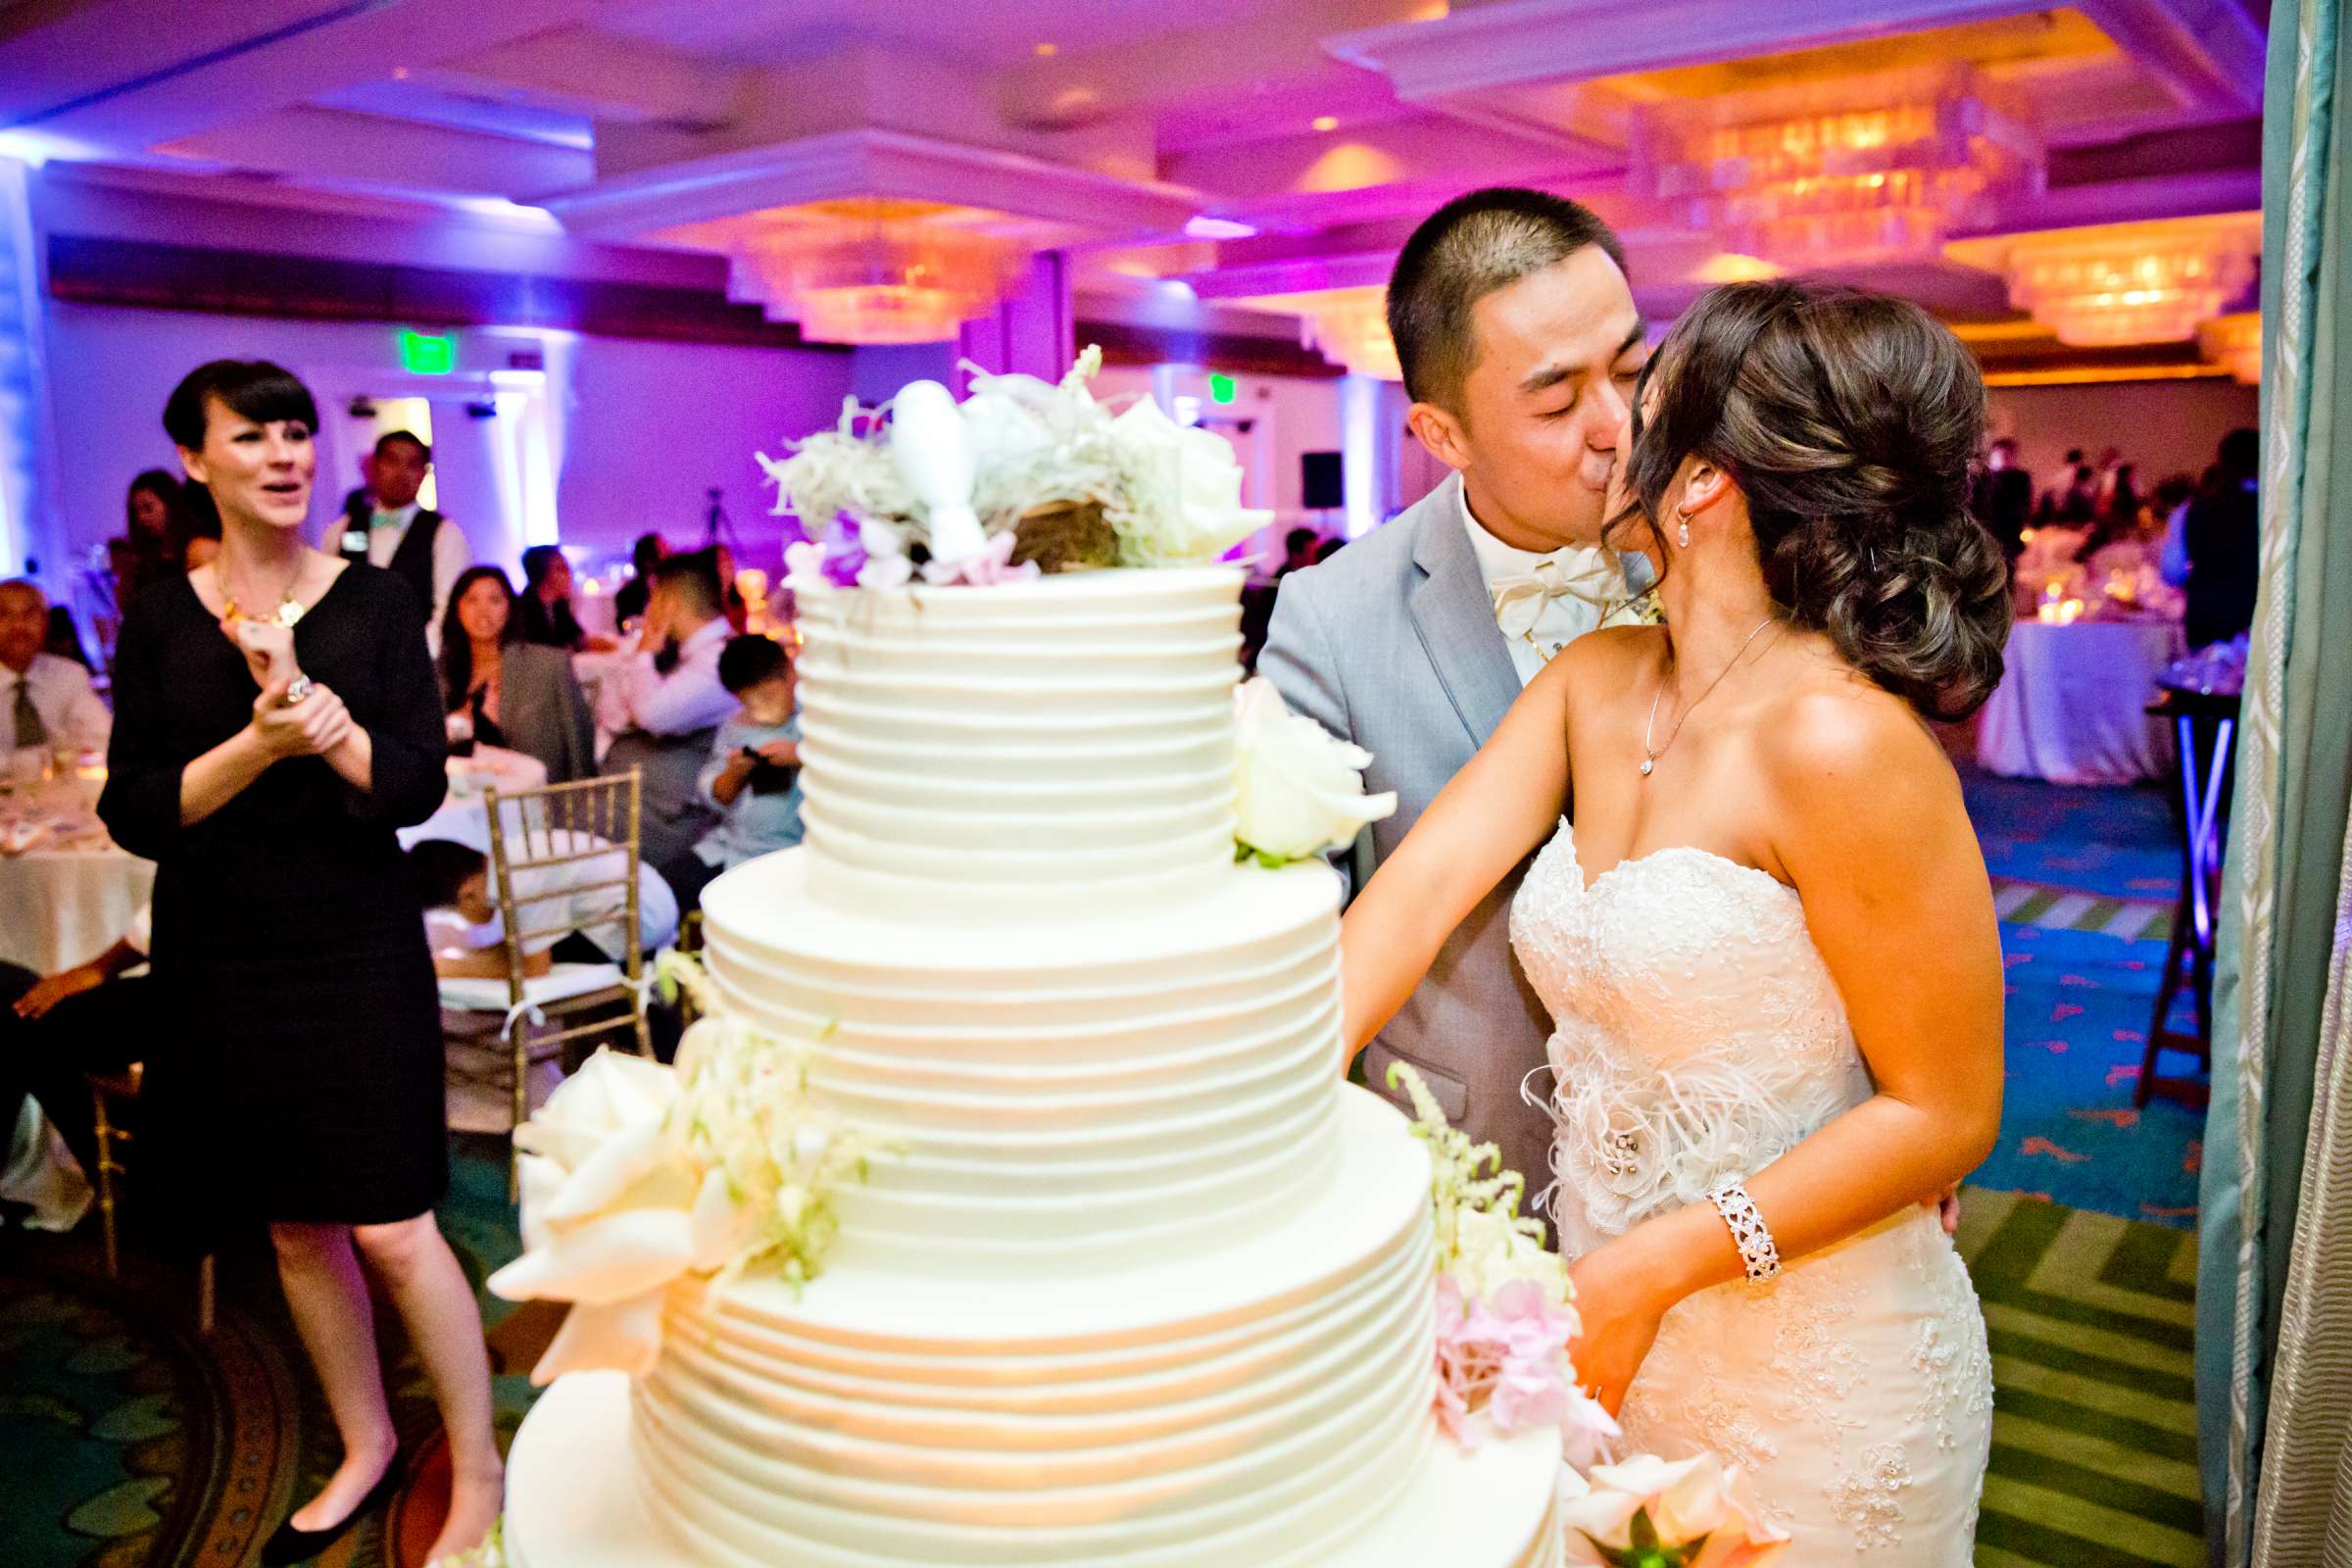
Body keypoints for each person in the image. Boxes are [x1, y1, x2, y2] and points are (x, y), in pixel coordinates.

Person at [1342, 280, 2006, 1557]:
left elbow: (1947, 1111)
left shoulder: (1844, 742)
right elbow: (1411, 901)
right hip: (1606, 1326)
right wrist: (1232, 1107)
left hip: (1821, 1362)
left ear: (1701, 483)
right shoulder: (1594, 685)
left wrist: (1649, 1271)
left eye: (1639, 395)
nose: (1607, 433)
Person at [102, 360, 500, 1566]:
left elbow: (419, 786)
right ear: (194, 461)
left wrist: (330, 735)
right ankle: (366, 1439)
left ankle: (474, 1459)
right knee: (292, 1227)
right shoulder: (166, 613)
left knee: (389, 1221)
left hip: (353, 941)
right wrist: (256, 744)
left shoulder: (376, 604)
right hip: (224, 947)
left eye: (296, 434)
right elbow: (135, 808)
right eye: (253, 437)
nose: (285, 456)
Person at [1259, 187, 1654, 1210]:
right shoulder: (1333, 617)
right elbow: (1300, 923)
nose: (1620, 428)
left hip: (1721, 1152)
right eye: (1560, 401)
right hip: (1474, 1162)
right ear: (1444, 432)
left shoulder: (1733, 546)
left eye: (1633, 369)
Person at [600, 549, 737, 898]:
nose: (649, 610)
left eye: (653, 598)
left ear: (670, 600)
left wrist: (644, 650)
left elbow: (650, 714)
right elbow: (614, 713)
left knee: (568, 830)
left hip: (677, 812)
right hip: (654, 797)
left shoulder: (719, 662)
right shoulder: (692, 655)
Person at [0, 907, 157, 1193]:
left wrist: (98, 968)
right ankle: (124, 1176)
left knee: (23, 1014)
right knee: (22, 1006)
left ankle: (128, 1179)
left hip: (207, 995)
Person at [402, 831, 679, 978]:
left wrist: (447, 970)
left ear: (468, 894)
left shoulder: (516, 881)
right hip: (645, 894)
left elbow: (535, 968)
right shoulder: (506, 855)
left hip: (638, 921)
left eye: (455, 914)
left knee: (527, 957)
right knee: (519, 946)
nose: (464, 921)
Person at [437, 565, 597, 783]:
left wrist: (581, 801)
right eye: (472, 600)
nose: (483, 611)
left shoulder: (547, 665)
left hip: (535, 798)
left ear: (510, 608)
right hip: (461, 800)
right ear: (457, 609)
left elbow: (580, 743)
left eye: (495, 600)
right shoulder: (439, 673)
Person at [325, 430, 468, 646]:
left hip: (416, 658)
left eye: (412, 464)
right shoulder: (342, 528)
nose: (401, 473)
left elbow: (448, 608)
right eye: (392, 461)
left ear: (423, 473)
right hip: (350, 655)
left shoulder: (445, 533)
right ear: (374, 466)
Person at [687, 634, 803, 899]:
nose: (762, 711)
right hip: (728, 847)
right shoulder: (735, 727)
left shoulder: (816, 716)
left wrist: (801, 755)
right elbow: (716, 793)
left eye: (768, 697)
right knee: (666, 886)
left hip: (791, 856)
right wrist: (733, 775)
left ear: (790, 672)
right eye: (750, 704)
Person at [2169, 426, 2261, 648]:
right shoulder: (2273, 510)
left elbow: (2172, 571)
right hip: (2255, 620)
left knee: (2208, 679)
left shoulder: (2191, 509)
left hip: (2205, 619)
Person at [0, 578, 111, 754]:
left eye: (29, 614)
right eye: (4, 614)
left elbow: (102, 738)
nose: (19, 625)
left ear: (45, 622)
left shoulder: (69, 675)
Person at [110, 469, 186, 612]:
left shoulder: (194, 549)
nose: (141, 518)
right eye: (136, 511)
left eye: (148, 508)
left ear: (169, 504)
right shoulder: (141, 562)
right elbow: (128, 610)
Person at [1968, 437, 2034, 561]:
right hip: (1987, 533)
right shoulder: (1982, 480)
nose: (2004, 458)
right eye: (2000, 454)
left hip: (2009, 534)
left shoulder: (2020, 479)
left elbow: (2023, 507)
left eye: (2007, 454)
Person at [612, 531, 666, 628]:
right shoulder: (627, 594)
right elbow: (623, 626)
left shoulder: (678, 589)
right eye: (664, 549)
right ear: (648, 560)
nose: (670, 552)